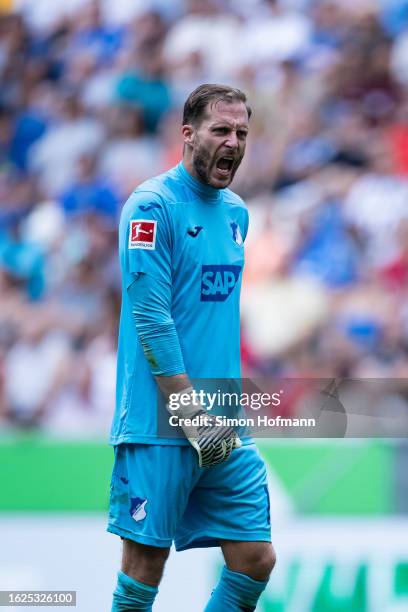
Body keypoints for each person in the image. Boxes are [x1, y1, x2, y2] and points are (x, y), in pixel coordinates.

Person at [108, 83, 276, 611]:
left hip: (223, 417)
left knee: (255, 557)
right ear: (188, 134)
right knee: (144, 570)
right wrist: (188, 412)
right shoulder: (151, 206)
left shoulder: (236, 213)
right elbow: (151, 317)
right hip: (162, 422)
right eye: (221, 130)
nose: (233, 141)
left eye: (242, 132)